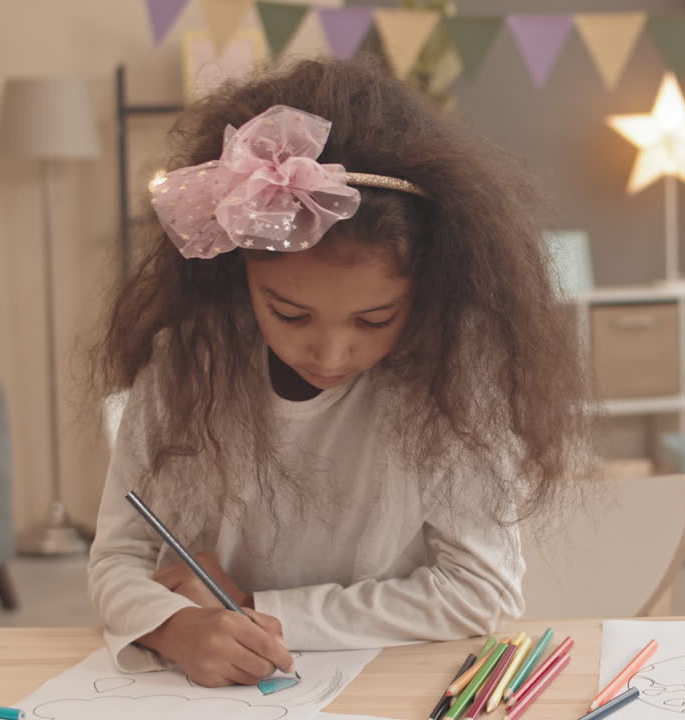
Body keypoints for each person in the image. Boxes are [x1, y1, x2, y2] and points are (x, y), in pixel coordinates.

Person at [87, 58, 592, 686]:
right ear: (237, 276)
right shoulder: (191, 359)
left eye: (375, 319)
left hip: (396, 684)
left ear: (428, 290)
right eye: (289, 313)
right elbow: (117, 558)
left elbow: (479, 593)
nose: (329, 356)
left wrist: (252, 611)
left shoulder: (454, 378)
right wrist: (176, 629)